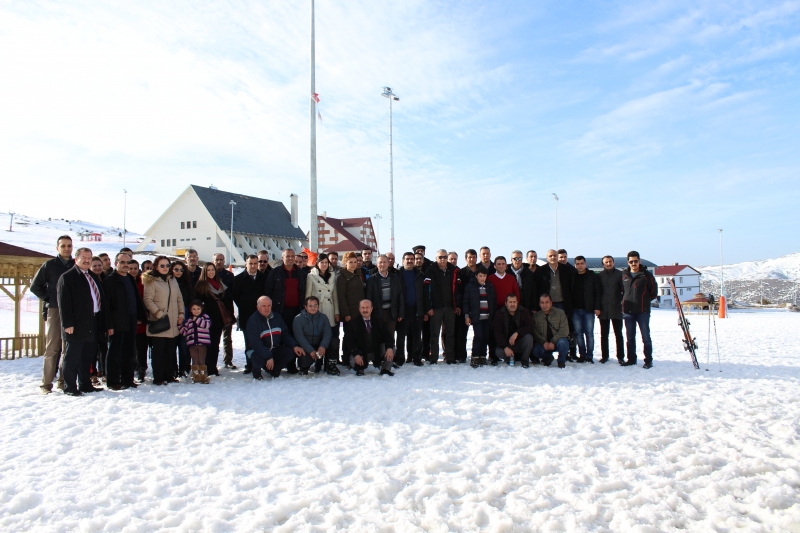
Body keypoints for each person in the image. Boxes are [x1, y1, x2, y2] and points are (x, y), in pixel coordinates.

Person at [57, 247, 105, 396]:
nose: (87, 260)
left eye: (89, 258)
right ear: (76, 259)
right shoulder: (68, 277)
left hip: (93, 320)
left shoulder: (91, 276)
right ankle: (70, 387)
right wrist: (68, 323)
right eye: (83, 257)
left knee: (87, 356)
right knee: (72, 357)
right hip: (76, 323)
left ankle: (85, 384)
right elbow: (63, 303)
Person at [31, 235, 74, 394]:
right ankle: (46, 384)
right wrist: (49, 298)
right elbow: (35, 287)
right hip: (55, 310)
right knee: (52, 347)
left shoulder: (76, 265)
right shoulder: (49, 265)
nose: (66, 248)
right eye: (63, 246)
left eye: (69, 245)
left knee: (67, 347)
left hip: (72, 311)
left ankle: (63, 382)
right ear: (57, 248)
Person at [102, 252, 145, 390]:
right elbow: (106, 306)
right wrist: (109, 324)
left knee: (129, 352)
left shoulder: (130, 279)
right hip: (117, 321)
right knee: (115, 352)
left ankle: (128, 379)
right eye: (122, 263)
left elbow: (136, 299)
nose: (125, 265)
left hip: (131, 320)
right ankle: (113, 381)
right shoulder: (109, 281)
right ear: (116, 264)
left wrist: (140, 316)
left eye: (128, 263)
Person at [143, 256, 185, 385]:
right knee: (158, 353)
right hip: (160, 322)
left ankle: (169, 375)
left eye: (167, 265)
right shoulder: (151, 281)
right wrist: (159, 314)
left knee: (170, 351)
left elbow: (179, 298)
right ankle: (159, 377)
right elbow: (147, 300)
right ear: (156, 266)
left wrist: (181, 314)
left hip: (172, 322)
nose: (165, 268)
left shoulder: (172, 279)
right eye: (162, 266)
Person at [246, 296, 304, 379]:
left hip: (274, 349)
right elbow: (256, 344)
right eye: (264, 306)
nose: (267, 308)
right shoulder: (253, 321)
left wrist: (294, 346)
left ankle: (274, 369)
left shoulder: (277, 317)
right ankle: (256, 371)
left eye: (269, 305)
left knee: (290, 352)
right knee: (257, 358)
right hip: (256, 350)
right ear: (258, 307)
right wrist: (268, 356)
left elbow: (285, 335)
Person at [194, 262, 233, 376]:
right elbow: (198, 303)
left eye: (213, 270)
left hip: (218, 320)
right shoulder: (201, 285)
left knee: (216, 345)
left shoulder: (220, 284)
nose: (211, 272)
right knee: (207, 346)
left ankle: (213, 367)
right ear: (204, 272)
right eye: (208, 270)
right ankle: (207, 367)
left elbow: (227, 300)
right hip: (206, 321)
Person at [621, 251, 658, 369]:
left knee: (645, 337)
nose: (633, 263)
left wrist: (644, 301)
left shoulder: (647, 276)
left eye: (635, 261)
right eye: (631, 261)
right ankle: (631, 359)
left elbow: (653, 293)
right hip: (628, 312)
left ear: (639, 261)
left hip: (643, 311)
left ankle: (648, 360)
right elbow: (622, 291)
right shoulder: (624, 275)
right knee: (630, 337)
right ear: (628, 262)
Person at [424, 249, 461, 364]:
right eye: (440, 257)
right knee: (434, 334)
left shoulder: (454, 270)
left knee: (450, 333)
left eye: (445, 257)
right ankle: (434, 357)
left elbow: (458, 290)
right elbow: (426, 290)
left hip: (450, 307)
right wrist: (428, 307)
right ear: (436, 258)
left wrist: (458, 305)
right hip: (436, 308)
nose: (443, 259)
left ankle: (450, 357)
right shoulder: (430, 270)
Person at [537, 249, 575, 360]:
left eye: (554, 255)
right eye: (550, 256)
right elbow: (537, 287)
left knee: (566, 328)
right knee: (546, 328)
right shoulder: (541, 270)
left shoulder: (566, 269)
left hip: (563, 303)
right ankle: (547, 353)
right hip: (546, 304)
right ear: (547, 257)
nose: (553, 257)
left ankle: (567, 353)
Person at [232, 254, 266, 374]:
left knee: (261, 340)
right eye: (250, 263)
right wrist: (244, 304)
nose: (253, 266)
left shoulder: (263, 278)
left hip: (261, 315)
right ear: (246, 264)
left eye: (255, 263)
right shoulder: (238, 279)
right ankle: (250, 364)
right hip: (246, 316)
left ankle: (260, 364)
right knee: (249, 342)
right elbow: (235, 296)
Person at [305, 253, 340, 369]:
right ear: (317, 263)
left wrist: (336, 312)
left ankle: (329, 361)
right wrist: (308, 311)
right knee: (318, 335)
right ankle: (318, 361)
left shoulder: (332, 276)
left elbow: (335, 295)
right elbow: (308, 295)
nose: (324, 264)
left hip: (329, 308)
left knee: (330, 334)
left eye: (326, 262)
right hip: (317, 308)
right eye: (322, 262)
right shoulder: (311, 276)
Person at [365, 254, 404, 355]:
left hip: (391, 312)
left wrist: (400, 313)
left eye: (384, 262)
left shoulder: (395, 278)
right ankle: (379, 358)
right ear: (377, 264)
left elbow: (400, 296)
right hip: (378, 313)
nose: (382, 264)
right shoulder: (372, 280)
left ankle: (390, 359)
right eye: (380, 262)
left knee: (390, 337)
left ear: (388, 263)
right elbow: (368, 298)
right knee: (378, 336)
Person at [346, 299, 396, 376]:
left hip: (376, 351)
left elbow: (388, 336)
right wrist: (356, 354)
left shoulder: (379, 321)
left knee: (392, 348)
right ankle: (360, 369)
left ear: (371, 309)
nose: (365, 310)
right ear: (359, 309)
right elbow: (349, 341)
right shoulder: (353, 323)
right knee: (353, 359)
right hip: (361, 353)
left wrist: (389, 348)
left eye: (367, 307)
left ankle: (385, 369)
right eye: (363, 308)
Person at [396, 252, 428, 366]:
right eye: (407, 259)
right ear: (403, 260)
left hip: (416, 309)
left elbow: (424, 294)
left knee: (416, 336)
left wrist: (424, 311)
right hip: (402, 309)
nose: (409, 261)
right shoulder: (397, 274)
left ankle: (416, 358)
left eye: (411, 259)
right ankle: (400, 358)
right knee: (400, 336)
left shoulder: (420, 274)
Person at [462, 265, 496, 367]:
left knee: (486, 337)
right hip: (477, 317)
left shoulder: (489, 286)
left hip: (487, 317)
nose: (482, 278)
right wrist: (467, 315)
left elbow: (493, 301)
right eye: (480, 276)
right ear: (476, 276)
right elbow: (466, 302)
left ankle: (482, 356)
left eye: (484, 276)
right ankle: (475, 357)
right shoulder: (470, 286)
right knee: (479, 336)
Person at [264, 248, 308, 327]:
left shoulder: (301, 274)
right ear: (282, 258)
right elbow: (268, 291)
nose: (290, 258)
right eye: (287, 256)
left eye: (292, 256)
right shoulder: (275, 272)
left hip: (297, 311)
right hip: (279, 310)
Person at [571, 256, 602, 363]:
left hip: (588, 309)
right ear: (575, 265)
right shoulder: (573, 276)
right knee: (578, 334)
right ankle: (582, 355)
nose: (580, 265)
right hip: (575, 309)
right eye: (577, 264)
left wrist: (597, 307)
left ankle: (589, 356)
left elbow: (598, 292)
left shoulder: (592, 276)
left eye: (582, 263)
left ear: (585, 264)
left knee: (589, 333)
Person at [293, 296, 335, 375]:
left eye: (315, 305)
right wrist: (310, 350)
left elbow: (327, 333)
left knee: (334, 342)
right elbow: (299, 337)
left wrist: (323, 346)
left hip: (319, 344)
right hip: (306, 346)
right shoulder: (298, 319)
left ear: (318, 306)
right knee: (305, 360)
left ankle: (330, 365)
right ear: (305, 307)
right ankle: (305, 367)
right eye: (310, 306)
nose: (313, 308)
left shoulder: (323, 317)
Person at [336, 251, 365, 364]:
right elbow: (341, 297)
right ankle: (346, 357)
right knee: (348, 336)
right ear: (345, 263)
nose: (353, 264)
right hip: (349, 313)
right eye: (350, 262)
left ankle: (357, 356)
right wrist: (346, 313)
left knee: (358, 335)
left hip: (359, 312)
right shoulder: (342, 277)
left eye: (355, 262)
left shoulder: (358, 274)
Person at [493, 294, 535, 367]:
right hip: (506, 343)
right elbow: (498, 333)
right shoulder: (499, 314)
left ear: (517, 302)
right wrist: (505, 347)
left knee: (529, 337)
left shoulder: (524, 311)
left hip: (520, 342)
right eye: (510, 302)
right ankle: (509, 358)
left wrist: (517, 333)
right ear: (506, 303)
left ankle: (524, 360)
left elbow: (530, 326)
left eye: (514, 302)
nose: (512, 304)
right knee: (498, 352)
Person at [598, 255, 625, 364]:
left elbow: (625, 290)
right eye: (606, 262)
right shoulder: (599, 276)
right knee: (604, 334)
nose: (608, 264)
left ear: (613, 262)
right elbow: (597, 292)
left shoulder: (620, 274)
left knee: (618, 334)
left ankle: (620, 357)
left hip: (616, 308)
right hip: (603, 309)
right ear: (603, 264)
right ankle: (605, 356)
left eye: (610, 262)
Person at [212, 253, 236, 369]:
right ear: (213, 261)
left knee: (227, 338)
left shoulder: (229, 276)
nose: (219, 262)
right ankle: (212, 362)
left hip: (226, 310)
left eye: (221, 260)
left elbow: (234, 293)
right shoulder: (209, 274)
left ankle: (228, 360)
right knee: (214, 338)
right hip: (213, 311)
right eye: (217, 260)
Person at [533, 294, 570, 368]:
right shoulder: (536, 316)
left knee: (563, 343)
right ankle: (548, 358)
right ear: (539, 304)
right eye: (542, 303)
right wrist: (543, 342)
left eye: (547, 302)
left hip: (558, 341)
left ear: (551, 303)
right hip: (545, 344)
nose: (544, 305)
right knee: (535, 350)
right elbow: (534, 332)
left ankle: (561, 361)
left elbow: (564, 330)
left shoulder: (560, 313)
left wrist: (553, 341)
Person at [179, 300, 211, 383]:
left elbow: (206, 325)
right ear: (190, 310)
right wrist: (179, 325)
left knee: (201, 360)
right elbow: (184, 332)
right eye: (194, 309)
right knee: (195, 360)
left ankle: (203, 376)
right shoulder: (189, 320)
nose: (196, 311)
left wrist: (196, 319)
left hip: (202, 343)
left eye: (198, 309)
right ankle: (196, 375)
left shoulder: (205, 317)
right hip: (192, 343)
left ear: (201, 309)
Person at [171, 260, 194, 377]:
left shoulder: (187, 283)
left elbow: (191, 301)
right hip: (171, 315)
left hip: (184, 316)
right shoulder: (168, 282)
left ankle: (184, 368)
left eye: (181, 270)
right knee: (172, 344)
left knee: (183, 344)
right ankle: (173, 369)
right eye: (176, 269)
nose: (179, 272)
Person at [89, 256, 108, 381]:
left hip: (104, 319)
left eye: (99, 265)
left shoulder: (106, 280)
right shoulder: (89, 280)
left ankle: (104, 371)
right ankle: (92, 374)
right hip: (91, 319)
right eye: (94, 265)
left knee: (104, 347)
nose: (97, 268)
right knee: (92, 349)